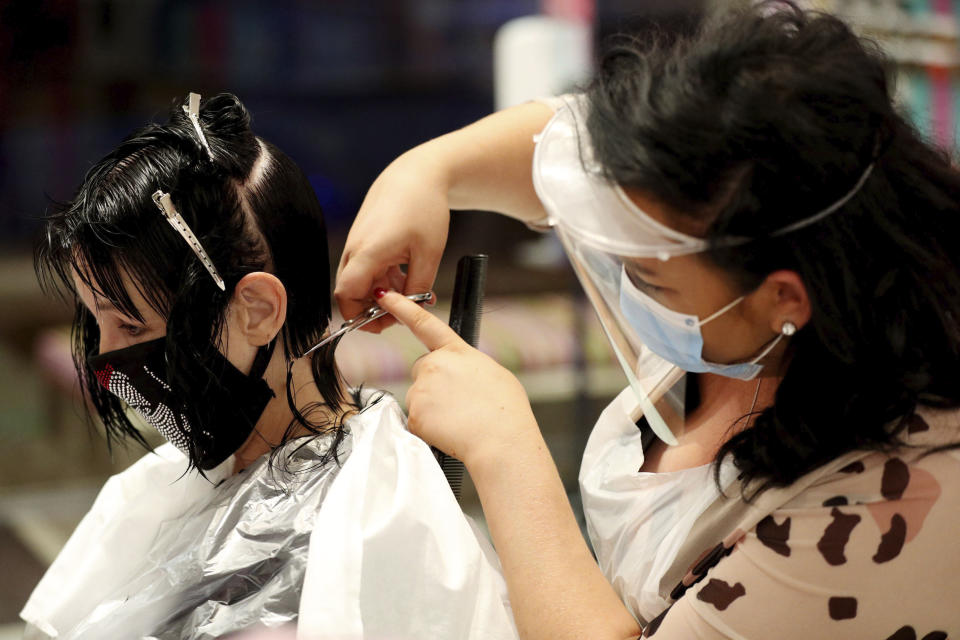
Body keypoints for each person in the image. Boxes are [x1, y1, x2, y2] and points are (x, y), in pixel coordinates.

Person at [336, 3, 960, 638]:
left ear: (784, 300)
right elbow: (566, 139)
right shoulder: (726, 291)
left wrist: (505, 452)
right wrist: (422, 175)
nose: (622, 281)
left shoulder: (890, 499)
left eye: (649, 276)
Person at [24, 93, 517, 640]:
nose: (104, 360)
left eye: (132, 326)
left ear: (256, 310)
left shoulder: (383, 517)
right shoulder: (163, 487)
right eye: (97, 323)